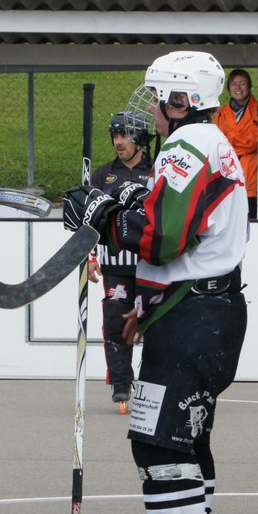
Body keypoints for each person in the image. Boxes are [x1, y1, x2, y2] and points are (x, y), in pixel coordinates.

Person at [63, 51, 247, 514]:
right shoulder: (207, 142)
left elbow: (164, 236)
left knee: (158, 437)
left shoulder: (189, 146)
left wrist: (102, 217)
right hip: (200, 308)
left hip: (197, 314)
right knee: (186, 436)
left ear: (182, 101)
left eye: (158, 96)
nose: (151, 109)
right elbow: (175, 226)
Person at [87, 110, 154, 411]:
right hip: (114, 264)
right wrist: (90, 256)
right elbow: (88, 219)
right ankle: (120, 382)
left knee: (156, 323)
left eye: (124, 135)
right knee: (116, 319)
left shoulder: (157, 169)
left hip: (152, 263)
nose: (118, 141)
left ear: (139, 138)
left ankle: (155, 380)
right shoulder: (102, 175)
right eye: (115, 135)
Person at [214, 69, 258, 219]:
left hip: (251, 176)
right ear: (228, 88)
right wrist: (239, 139)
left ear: (249, 86)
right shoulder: (222, 113)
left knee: (251, 221)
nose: (238, 88)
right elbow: (218, 143)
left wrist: (230, 140)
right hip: (227, 175)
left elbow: (253, 142)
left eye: (242, 83)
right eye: (234, 84)